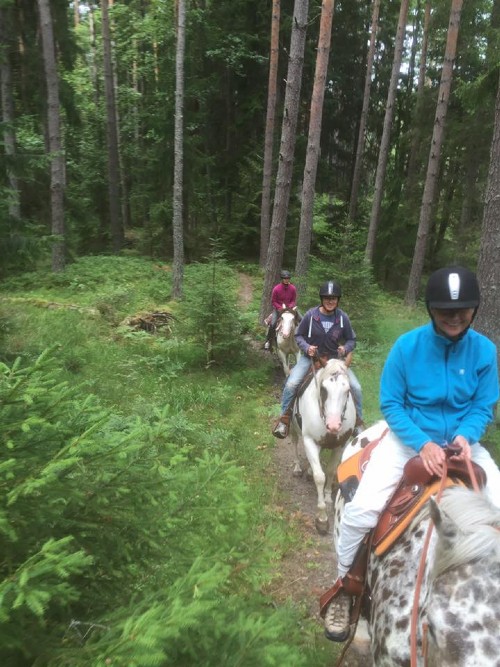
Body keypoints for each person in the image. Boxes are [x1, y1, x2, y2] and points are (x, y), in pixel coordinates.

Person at [323, 266, 500, 642]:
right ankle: (345, 588)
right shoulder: (407, 347)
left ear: (475, 309)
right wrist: (423, 443)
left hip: (464, 445)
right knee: (362, 511)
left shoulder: (485, 351)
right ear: (430, 309)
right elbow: (392, 403)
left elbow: (484, 405)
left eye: (463, 310)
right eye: (446, 311)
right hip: (408, 441)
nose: (455, 318)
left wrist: (467, 436)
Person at [272, 280, 364, 438]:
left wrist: (346, 348)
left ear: (338, 300)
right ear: (322, 299)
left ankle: (358, 423)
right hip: (310, 358)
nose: (330, 301)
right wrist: (307, 347)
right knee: (292, 383)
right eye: (327, 298)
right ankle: (284, 419)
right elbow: (298, 335)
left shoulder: (342, 318)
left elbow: (352, 340)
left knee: (356, 387)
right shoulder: (311, 315)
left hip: (335, 361)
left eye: (333, 298)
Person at [264, 270, 298, 350]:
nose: (287, 280)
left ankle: (301, 341)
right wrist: (280, 308)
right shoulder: (276, 289)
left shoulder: (293, 288)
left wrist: (290, 306)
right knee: (273, 324)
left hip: (289, 309)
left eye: (288, 278)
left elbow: (293, 300)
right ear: (282, 279)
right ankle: (268, 341)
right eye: (285, 278)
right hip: (278, 309)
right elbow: (273, 301)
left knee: (302, 319)